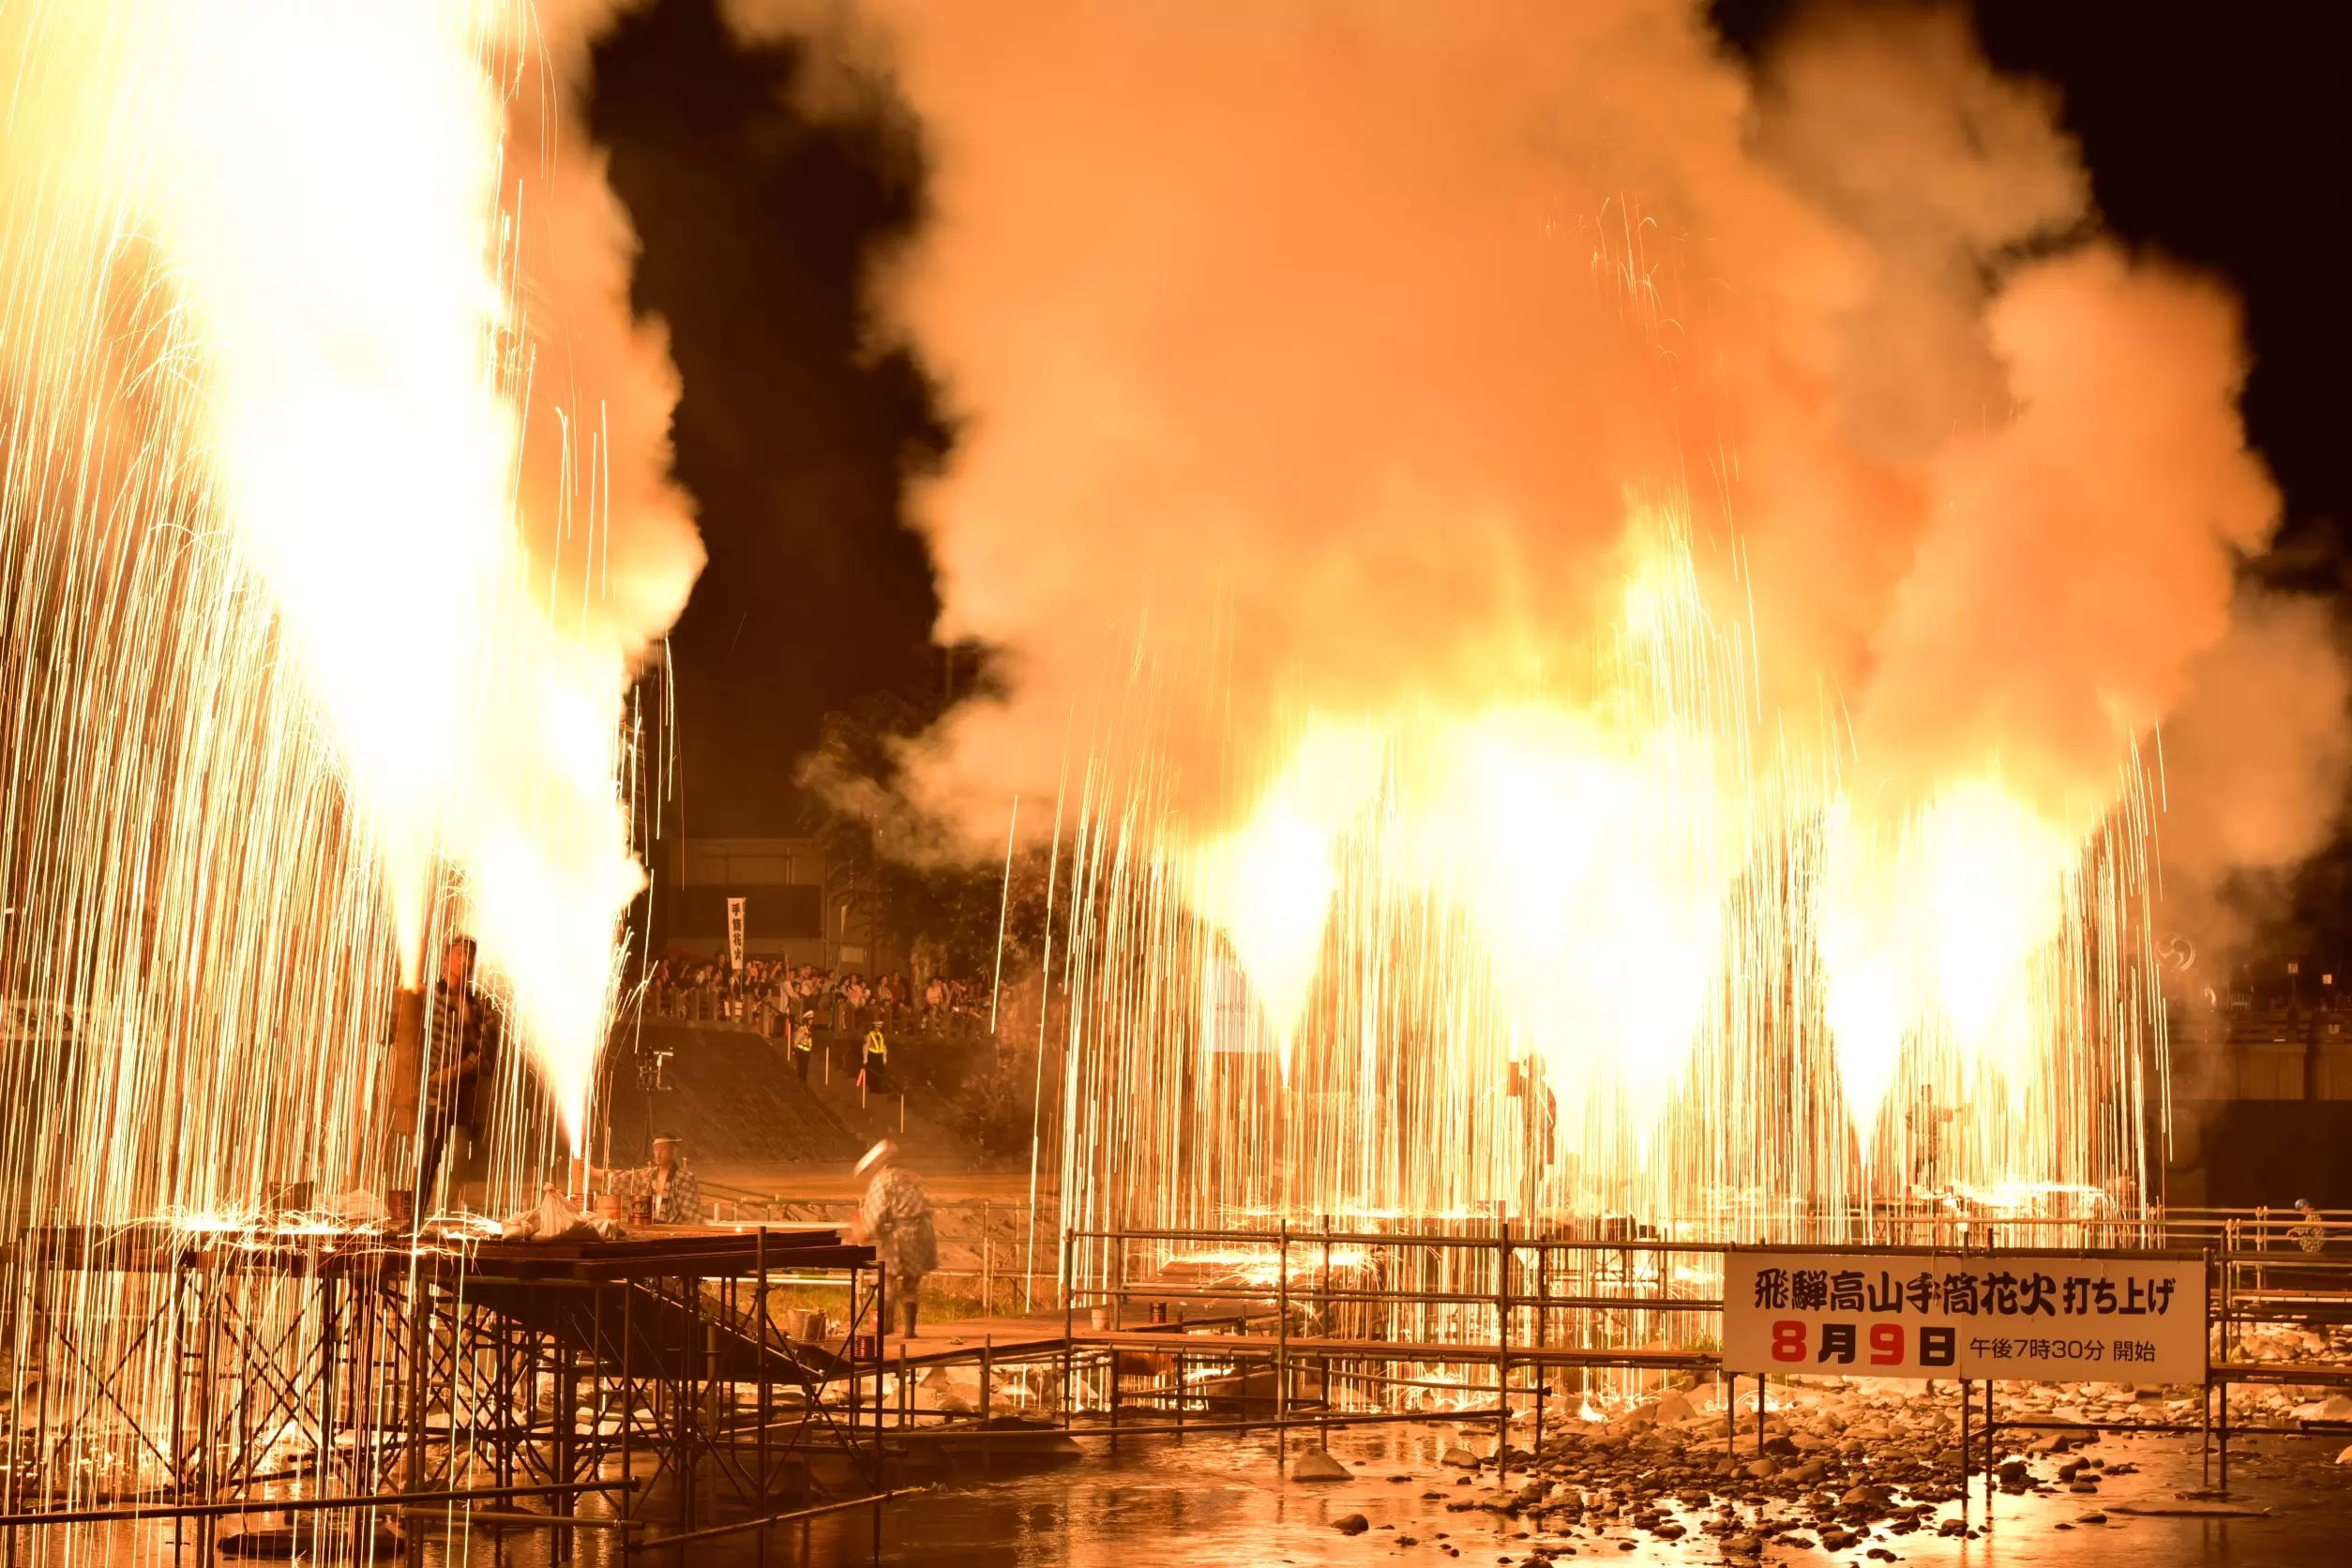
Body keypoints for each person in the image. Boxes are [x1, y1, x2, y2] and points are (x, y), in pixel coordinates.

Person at [415, 934, 499, 1224]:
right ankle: (416, 1217)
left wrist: (454, 1072)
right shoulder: (429, 995)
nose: (466, 960)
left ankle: (443, 1212)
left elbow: (482, 1057)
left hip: (462, 1095)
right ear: (446, 958)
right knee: (431, 1151)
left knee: (462, 1156)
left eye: (471, 956)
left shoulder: (477, 1006)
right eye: (460, 953)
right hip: (432, 1093)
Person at [849, 1139, 935, 1337]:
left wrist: (865, 1230)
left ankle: (885, 1326)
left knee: (886, 1278)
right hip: (922, 1234)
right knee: (912, 1284)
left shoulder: (883, 1180)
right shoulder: (912, 1177)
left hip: (901, 1236)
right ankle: (910, 1330)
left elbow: (876, 1215)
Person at [609, 1133, 703, 1225]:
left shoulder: (684, 1178)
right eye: (655, 1149)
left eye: (662, 1149)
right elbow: (622, 1176)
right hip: (650, 1229)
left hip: (673, 1232)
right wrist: (595, 1171)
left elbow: (692, 1215)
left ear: (673, 1151)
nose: (658, 1154)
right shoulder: (647, 1174)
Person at [860, 1018, 889, 1094]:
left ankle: (878, 1088)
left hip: (879, 1056)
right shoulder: (870, 1035)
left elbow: (884, 1047)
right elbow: (866, 1047)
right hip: (872, 1056)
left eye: (879, 1028)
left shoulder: (881, 1036)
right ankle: (872, 1089)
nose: (877, 1029)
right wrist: (865, 1058)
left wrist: (884, 1057)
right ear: (874, 1028)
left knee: (880, 1073)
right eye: (876, 1027)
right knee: (873, 1073)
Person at [792, 1011, 816, 1081]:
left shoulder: (809, 1029)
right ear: (806, 1020)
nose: (811, 1021)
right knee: (802, 1070)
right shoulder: (802, 1029)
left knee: (805, 1070)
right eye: (810, 1019)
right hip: (801, 1053)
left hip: (806, 1053)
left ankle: (803, 1084)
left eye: (812, 1019)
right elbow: (796, 1039)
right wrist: (794, 1049)